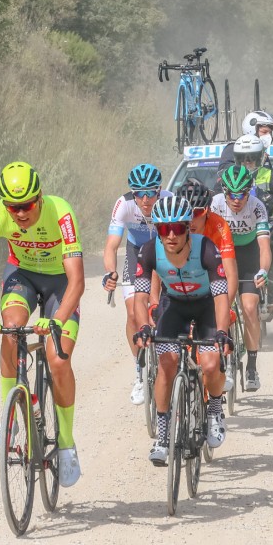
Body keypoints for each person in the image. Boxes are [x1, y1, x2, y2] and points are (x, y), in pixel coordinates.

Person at [0, 161, 85, 487]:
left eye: (27, 205)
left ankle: (65, 444)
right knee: (10, 331)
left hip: (60, 284)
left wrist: (57, 320)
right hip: (22, 278)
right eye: (13, 207)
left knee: (58, 359)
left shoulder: (61, 213)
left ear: (40, 196)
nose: (20, 213)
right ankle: (10, 423)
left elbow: (77, 281)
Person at [132, 196, 232, 465]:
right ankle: (163, 437)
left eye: (178, 228)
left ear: (189, 228)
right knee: (167, 363)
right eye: (165, 229)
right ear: (157, 230)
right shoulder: (149, 251)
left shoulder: (207, 249)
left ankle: (213, 411)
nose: (172, 235)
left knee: (211, 364)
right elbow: (140, 298)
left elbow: (221, 297)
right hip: (173, 305)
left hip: (206, 306)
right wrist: (143, 326)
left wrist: (222, 331)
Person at [102, 164, 172, 405]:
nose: (145, 199)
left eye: (151, 193)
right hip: (137, 252)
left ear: (159, 191)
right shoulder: (124, 204)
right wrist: (110, 272)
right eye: (138, 193)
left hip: (165, 252)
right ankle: (140, 373)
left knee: (157, 307)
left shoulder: (169, 201)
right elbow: (112, 245)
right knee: (134, 313)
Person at [210, 165, 271, 391]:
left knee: (249, 306)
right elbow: (205, 239)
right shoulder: (215, 204)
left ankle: (252, 366)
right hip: (222, 253)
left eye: (242, 194)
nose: (236, 200)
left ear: (249, 192)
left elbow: (264, 246)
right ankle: (221, 358)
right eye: (232, 194)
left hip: (247, 255)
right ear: (224, 192)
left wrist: (263, 270)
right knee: (221, 305)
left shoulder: (257, 208)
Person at [177, 178, 239, 394]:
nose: (191, 220)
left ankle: (224, 363)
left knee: (220, 318)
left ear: (207, 211)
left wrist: (224, 308)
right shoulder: (175, 226)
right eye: (187, 214)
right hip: (186, 281)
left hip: (213, 279)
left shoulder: (219, 226)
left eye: (198, 214)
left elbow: (230, 275)